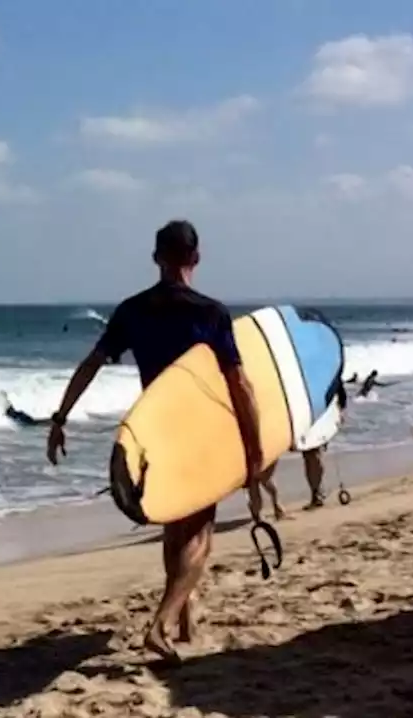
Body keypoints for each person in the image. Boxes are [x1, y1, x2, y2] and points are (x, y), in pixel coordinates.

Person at [43, 219, 276, 663]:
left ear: (155, 258)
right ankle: (162, 622)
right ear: (197, 258)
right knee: (200, 534)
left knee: (174, 527)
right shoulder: (210, 312)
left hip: (155, 432)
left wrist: (60, 417)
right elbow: (239, 384)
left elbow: (91, 363)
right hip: (199, 432)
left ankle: (186, 621)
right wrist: (255, 448)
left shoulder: (133, 310)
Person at [300, 383, 348, 509]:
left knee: (314, 455)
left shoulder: (327, 374)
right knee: (308, 457)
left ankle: (318, 493)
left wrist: (340, 412)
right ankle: (316, 492)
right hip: (308, 415)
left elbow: (340, 393)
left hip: (322, 417)